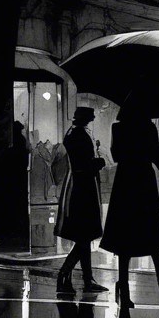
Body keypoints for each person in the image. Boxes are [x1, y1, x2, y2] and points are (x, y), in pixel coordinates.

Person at [99, 112, 159, 308]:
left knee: (124, 238)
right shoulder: (149, 128)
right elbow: (157, 160)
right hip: (144, 182)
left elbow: (116, 156)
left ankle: (124, 288)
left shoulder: (118, 128)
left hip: (125, 181)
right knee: (151, 234)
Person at [56, 107, 107, 296]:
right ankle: (65, 273)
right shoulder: (80, 136)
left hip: (79, 185)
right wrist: (98, 163)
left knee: (84, 237)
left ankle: (87, 279)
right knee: (84, 236)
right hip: (82, 188)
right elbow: (83, 164)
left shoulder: (74, 133)